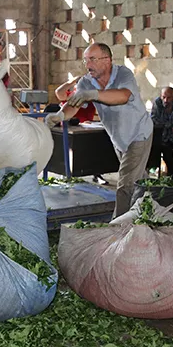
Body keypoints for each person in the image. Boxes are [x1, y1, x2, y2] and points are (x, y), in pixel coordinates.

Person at [45, 43, 153, 218]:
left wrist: (93, 94)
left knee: (125, 184)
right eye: (86, 60)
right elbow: (74, 106)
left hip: (138, 134)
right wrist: (59, 116)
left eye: (93, 59)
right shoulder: (86, 81)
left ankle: (118, 227)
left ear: (107, 61)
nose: (88, 64)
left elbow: (123, 96)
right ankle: (150, 209)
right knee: (138, 179)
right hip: (118, 138)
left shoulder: (123, 74)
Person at [53, 75, 108, 185]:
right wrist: (73, 81)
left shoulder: (91, 98)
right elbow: (59, 92)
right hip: (69, 128)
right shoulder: (70, 96)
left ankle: (97, 174)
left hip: (87, 129)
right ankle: (66, 172)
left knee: (98, 144)